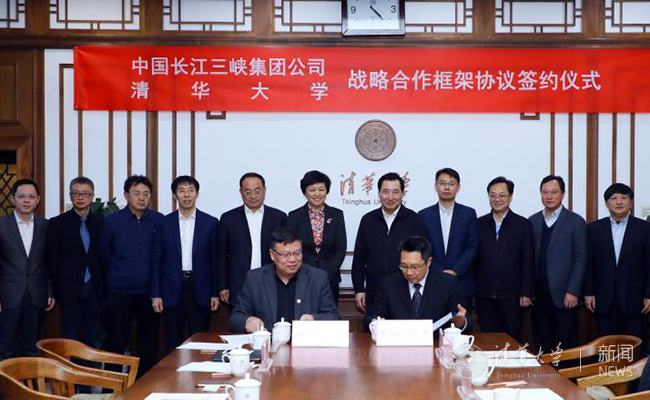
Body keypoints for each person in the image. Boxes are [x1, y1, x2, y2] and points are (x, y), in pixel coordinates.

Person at [100, 175, 163, 376]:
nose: (142, 198)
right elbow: (104, 257)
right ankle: (111, 388)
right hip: (119, 292)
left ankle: (143, 385)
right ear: (126, 195)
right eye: (137, 193)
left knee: (148, 344)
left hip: (149, 293)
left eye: (146, 194)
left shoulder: (158, 220)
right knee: (116, 342)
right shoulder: (112, 222)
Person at [151, 176, 220, 353]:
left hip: (200, 289)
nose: (186, 195)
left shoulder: (211, 223)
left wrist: (215, 293)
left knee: (200, 342)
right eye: (182, 191)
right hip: (172, 290)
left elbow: (215, 261)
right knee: (172, 342)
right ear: (175, 195)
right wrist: (156, 294)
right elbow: (157, 260)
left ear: (197, 194)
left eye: (190, 190)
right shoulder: (164, 224)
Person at [229, 227, 339, 333]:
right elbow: (235, 318)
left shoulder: (318, 278)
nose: (293, 259)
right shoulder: (255, 279)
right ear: (272, 255)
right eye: (286, 255)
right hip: (268, 343)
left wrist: (313, 319)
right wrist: (248, 321)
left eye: (297, 253)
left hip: (302, 343)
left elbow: (334, 317)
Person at [352, 172, 427, 315]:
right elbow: (359, 258)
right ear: (379, 194)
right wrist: (359, 289)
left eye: (395, 192)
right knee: (374, 327)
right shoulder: (368, 220)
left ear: (403, 194)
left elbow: (423, 258)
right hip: (375, 291)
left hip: (406, 291)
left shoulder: (414, 220)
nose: (390, 197)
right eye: (385, 192)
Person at [584, 183, 650, 339]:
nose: (619, 202)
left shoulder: (644, 229)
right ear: (606, 203)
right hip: (603, 298)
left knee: (633, 344)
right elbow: (588, 264)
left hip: (635, 299)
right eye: (614, 198)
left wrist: (649, 294)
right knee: (607, 344)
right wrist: (588, 293)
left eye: (624, 198)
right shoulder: (594, 229)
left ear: (631, 202)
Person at [529, 175, 586, 354]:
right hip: (538, 294)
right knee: (542, 342)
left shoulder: (575, 221)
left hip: (564, 294)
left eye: (554, 192)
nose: (549, 196)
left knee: (567, 343)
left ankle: (569, 374)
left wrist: (573, 291)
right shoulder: (533, 221)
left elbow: (581, 258)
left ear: (563, 194)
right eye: (545, 192)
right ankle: (545, 373)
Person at [45, 176, 104, 348]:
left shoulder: (101, 223)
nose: (80, 197)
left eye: (85, 194)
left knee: (92, 338)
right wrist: (52, 291)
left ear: (92, 197)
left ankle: (88, 367)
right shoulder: (57, 223)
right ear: (70, 196)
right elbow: (51, 260)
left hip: (94, 289)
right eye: (76, 193)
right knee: (71, 338)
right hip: (68, 290)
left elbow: (104, 257)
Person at [474, 177, 535, 342]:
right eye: (493, 195)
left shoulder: (523, 225)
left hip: (512, 296)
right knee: (488, 340)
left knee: (512, 340)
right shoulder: (479, 224)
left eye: (502, 195)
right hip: (484, 295)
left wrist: (526, 292)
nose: (497, 199)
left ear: (511, 197)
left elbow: (528, 261)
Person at [0, 179, 54, 361]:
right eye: (22, 196)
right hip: (7, 295)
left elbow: (49, 263)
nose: (26, 200)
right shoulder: (2, 225)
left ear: (38, 199)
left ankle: (28, 380)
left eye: (31, 197)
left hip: (36, 294)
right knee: (5, 348)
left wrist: (50, 291)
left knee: (31, 349)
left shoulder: (46, 226)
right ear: (13, 199)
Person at [365, 236, 467, 331]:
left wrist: (460, 322)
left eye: (415, 267)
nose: (409, 272)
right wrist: (375, 323)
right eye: (404, 266)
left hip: (435, 342)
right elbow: (371, 317)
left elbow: (464, 320)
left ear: (429, 262)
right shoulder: (388, 284)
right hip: (399, 342)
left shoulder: (448, 283)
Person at [217, 173, 287, 309]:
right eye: (248, 192)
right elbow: (221, 255)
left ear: (264, 190)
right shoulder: (228, 219)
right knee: (240, 320)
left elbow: (284, 253)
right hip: (238, 284)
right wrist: (222, 285)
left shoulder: (279, 217)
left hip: (272, 282)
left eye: (257, 191)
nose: (253, 196)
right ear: (241, 192)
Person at [419, 167, 479, 318]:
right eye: (442, 183)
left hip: (462, 282)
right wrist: (440, 272)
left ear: (458, 187)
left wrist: (455, 270)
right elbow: (423, 248)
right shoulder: (424, 215)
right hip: (432, 282)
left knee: (462, 326)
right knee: (434, 328)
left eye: (451, 184)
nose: (447, 187)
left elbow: (473, 247)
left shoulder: (469, 214)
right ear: (436, 186)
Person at [287, 171, 347, 304]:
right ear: (305, 192)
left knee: (328, 314)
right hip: (301, 277)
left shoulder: (337, 215)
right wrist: (303, 272)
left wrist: (327, 274)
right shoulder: (294, 216)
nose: (317, 194)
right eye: (312, 190)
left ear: (327, 191)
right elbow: (291, 248)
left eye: (321, 189)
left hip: (330, 279)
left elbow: (341, 248)